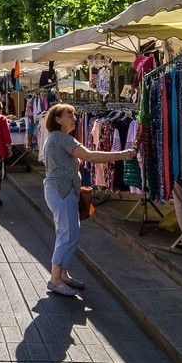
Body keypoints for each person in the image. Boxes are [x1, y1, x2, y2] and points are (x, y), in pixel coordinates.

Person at [40, 103, 136, 297]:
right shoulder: (61, 138)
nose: (74, 119)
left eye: (74, 115)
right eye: (70, 115)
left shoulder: (57, 138)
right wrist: (122, 155)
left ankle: (63, 274)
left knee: (69, 234)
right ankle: (55, 279)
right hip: (62, 191)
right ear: (57, 119)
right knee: (67, 235)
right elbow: (90, 156)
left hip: (61, 190)